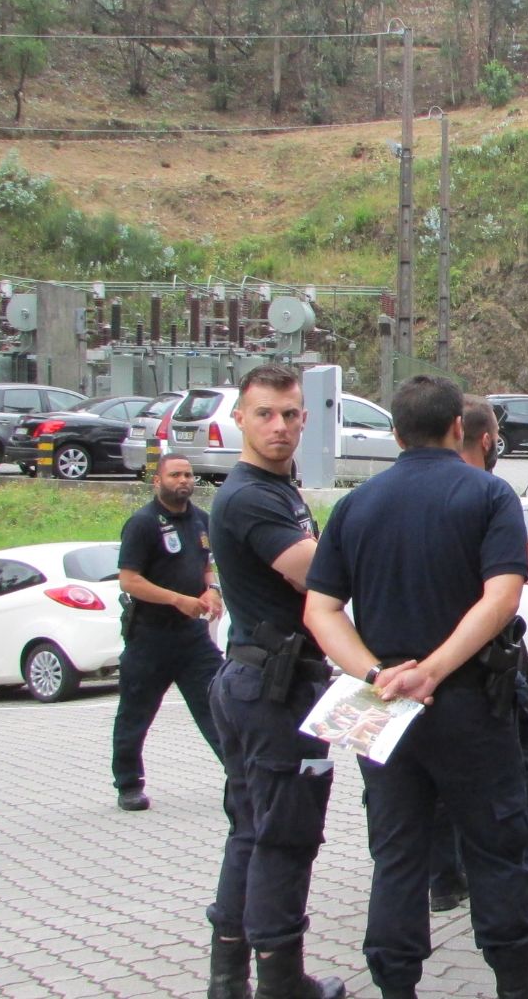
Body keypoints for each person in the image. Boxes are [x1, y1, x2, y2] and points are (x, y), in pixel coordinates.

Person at [301, 375, 528, 999]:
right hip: (469, 700)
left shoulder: (356, 505)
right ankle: (514, 987)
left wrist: (374, 673)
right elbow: (501, 597)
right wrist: (435, 670)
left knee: (397, 855)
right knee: (496, 847)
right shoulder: (487, 495)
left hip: (383, 707)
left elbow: (320, 610)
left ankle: (396, 988)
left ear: (394, 434)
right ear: (457, 429)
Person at [204, 363, 344, 999]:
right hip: (273, 693)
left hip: (261, 683)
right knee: (285, 837)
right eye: (264, 414)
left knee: (254, 830)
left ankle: (228, 978)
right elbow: (314, 572)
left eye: (290, 414)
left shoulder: (277, 490)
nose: (279, 426)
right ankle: (281, 984)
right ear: (240, 418)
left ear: (305, 418)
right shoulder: (251, 496)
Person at [428, 396, 528, 913]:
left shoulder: (396, 495)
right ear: (486, 440)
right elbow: (508, 586)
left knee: (431, 776)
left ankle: (443, 877)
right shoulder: (491, 496)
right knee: (521, 763)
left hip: (417, 662)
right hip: (486, 662)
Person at [112, 451, 224, 812]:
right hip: (150, 636)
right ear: (157, 481)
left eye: (189, 475)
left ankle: (240, 774)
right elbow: (129, 580)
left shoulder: (201, 521)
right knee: (135, 713)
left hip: (192, 637)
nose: (184, 481)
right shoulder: (142, 524)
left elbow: (207, 566)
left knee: (218, 705)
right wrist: (177, 599)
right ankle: (129, 784)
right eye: (175, 475)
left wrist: (212, 591)